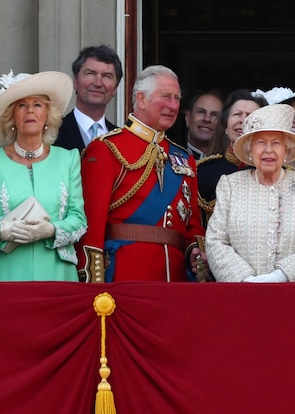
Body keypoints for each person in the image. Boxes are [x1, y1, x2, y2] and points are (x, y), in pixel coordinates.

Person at [77, 65, 205, 282]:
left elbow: (192, 224)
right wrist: (92, 279)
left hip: (175, 280)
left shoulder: (184, 158)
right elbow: (92, 224)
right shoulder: (106, 148)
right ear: (141, 99)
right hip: (124, 275)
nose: (173, 105)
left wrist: (194, 249)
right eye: (165, 96)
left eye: (176, 98)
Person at [0, 70, 87, 281]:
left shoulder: (68, 160)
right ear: (12, 116)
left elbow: (79, 220)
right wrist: (3, 231)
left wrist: (51, 230)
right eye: (22, 105)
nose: (30, 110)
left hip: (56, 274)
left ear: (48, 114)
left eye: (37, 104)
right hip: (3, 275)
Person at [206, 105, 295, 282]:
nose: (268, 150)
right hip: (240, 293)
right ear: (250, 149)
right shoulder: (230, 185)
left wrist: (281, 276)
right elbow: (216, 241)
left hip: (292, 295)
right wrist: (245, 279)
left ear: (286, 150)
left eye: (276, 143)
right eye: (261, 142)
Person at [196, 89, 267, 227]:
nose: (243, 120)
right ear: (226, 127)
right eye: (237, 114)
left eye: (250, 115)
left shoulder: (280, 172)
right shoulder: (204, 172)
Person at [54, 45, 123, 151]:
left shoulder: (122, 139)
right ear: (75, 81)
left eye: (106, 76)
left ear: (115, 88)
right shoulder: (52, 134)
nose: (98, 83)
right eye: (90, 73)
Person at [183, 91, 223, 159]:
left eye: (215, 115)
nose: (207, 119)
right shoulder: (168, 157)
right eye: (201, 112)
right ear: (188, 118)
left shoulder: (229, 165)